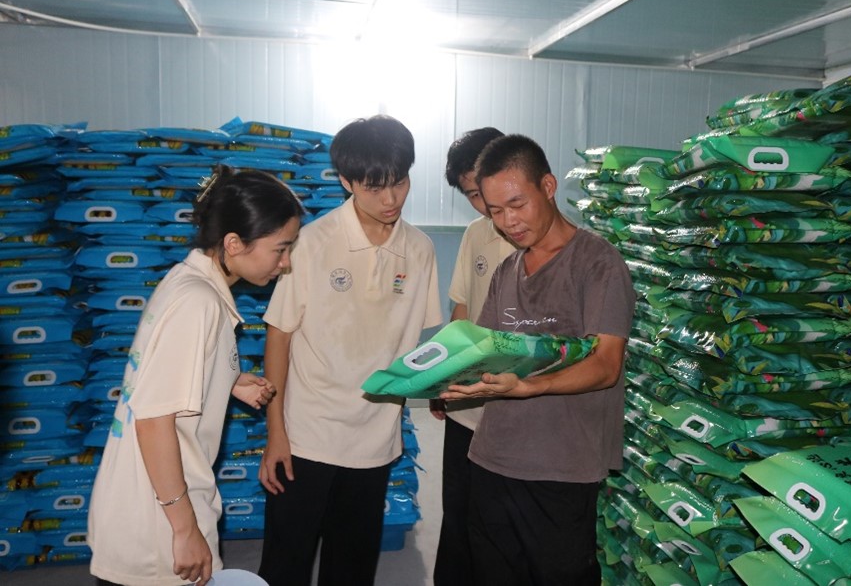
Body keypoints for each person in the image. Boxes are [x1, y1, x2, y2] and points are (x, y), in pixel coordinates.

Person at [88, 167, 304, 586]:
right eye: (280, 249)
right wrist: (185, 529)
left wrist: (228, 379)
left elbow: (166, 368)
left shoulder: (188, 281)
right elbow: (154, 421)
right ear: (234, 244)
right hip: (159, 519)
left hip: (150, 500)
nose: (286, 262)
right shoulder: (198, 303)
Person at [441, 134, 636, 586]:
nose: (508, 221)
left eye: (517, 204)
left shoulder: (598, 264)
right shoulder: (507, 270)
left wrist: (531, 385)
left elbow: (606, 364)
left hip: (560, 469)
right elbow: (484, 350)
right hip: (492, 460)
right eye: (495, 211)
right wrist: (440, 375)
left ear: (548, 186)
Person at [257, 115, 442, 586]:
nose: (391, 199)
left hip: (374, 440)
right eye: (374, 187)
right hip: (307, 434)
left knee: (352, 567)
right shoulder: (312, 244)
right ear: (346, 181)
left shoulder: (420, 250)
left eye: (400, 182)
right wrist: (276, 433)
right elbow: (279, 336)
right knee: (286, 564)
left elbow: (420, 342)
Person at [431, 126, 516, 586]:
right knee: (458, 515)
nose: (484, 205)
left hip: (520, 408)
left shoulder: (539, 236)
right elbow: (461, 313)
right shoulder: (475, 235)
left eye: (486, 190)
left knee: (502, 525)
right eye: (472, 195)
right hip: (469, 407)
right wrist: (445, 378)